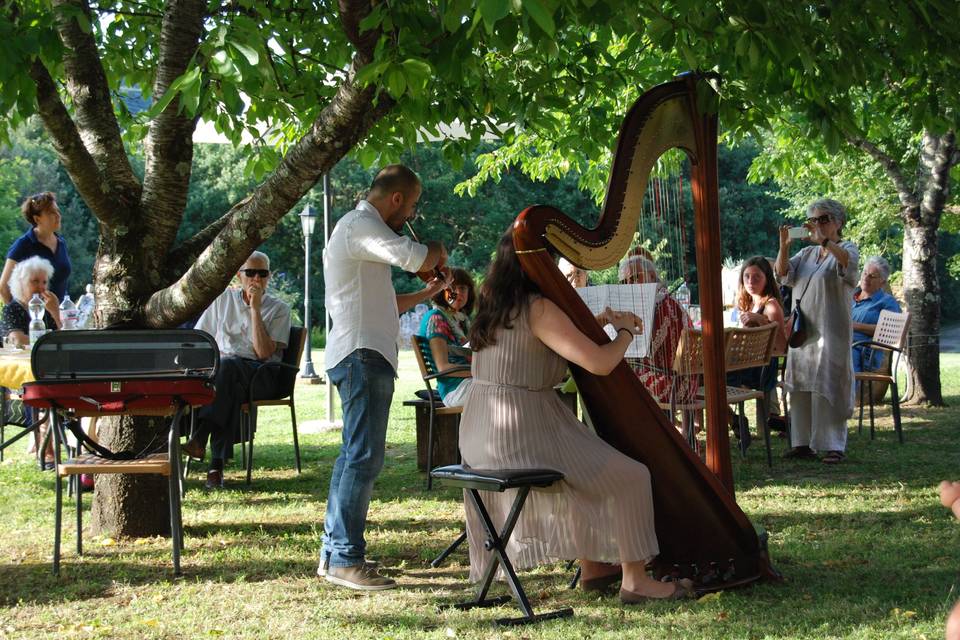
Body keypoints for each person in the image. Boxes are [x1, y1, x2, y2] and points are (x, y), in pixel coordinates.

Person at [459, 230, 692, 604]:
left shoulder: (493, 304)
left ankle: (595, 567)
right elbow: (600, 364)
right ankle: (636, 582)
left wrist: (595, 320)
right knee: (631, 476)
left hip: (481, 431)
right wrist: (626, 332)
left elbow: (535, 347)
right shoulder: (539, 307)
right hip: (523, 430)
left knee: (584, 473)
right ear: (538, 263)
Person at [320, 164, 450, 591]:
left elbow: (385, 302)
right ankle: (344, 559)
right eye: (410, 208)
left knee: (353, 457)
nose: (410, 216)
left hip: (361, 353)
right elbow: (415, 256)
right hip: (362, 356)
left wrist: (429, 293)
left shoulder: (361, 232)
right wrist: (438, 250)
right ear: (396, 199)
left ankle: (334, 554)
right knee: (364, 457)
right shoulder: (361, 225)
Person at [181, 251, 292, 489]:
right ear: (238, 276)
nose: (256, 279)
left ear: (269, 277)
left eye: (262, 274)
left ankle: (201, 435)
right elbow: (202, 340)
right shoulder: (222, 301)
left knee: (228, 370)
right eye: (250, 273)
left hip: (262, 374)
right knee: (228, 384)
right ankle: (215, 467)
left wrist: (255, 310)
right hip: (225, 376)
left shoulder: (279, 309)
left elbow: (263, 353)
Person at [775, 198, 859, 464]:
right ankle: (802, 443)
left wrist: (824, 241)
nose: (818, 224)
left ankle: (834, 445)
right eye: (814, 220)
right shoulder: (806, 254)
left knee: (829, 383)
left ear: (838, 222)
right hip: (804, 332)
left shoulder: (846, 248)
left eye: (824, 219)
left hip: (831, 330)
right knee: (800, 385)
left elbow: (848, 266)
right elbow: (782, 273)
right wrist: (784, 247)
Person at [0, 256, 62, 469]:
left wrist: (55, 311)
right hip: (21, 374)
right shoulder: (13, 309)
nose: (41, 287)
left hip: (51, 369)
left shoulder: (47, 308)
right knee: (42, 392)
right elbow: (16, 338)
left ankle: (54, 447)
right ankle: (47, 453)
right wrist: (46, 338)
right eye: (35, 282)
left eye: (44, 282)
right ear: (21, 284)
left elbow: (63, 336)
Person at [618, 250, 698, 405]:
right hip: (688, 384)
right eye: (625, 281)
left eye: (635, 277)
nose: (630, 284)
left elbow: (638, 353)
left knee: (614, 378)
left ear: (652, 277)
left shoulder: (657, 306)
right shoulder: (667, 300)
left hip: (672, 385)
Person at [417, 267, 476, 408]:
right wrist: (483, 372)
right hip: (454, 391)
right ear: (441, 291)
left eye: (462, 288)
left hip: (470, 383)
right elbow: (443, 367)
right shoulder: (436, 318)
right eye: (451, 288)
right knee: (504, 390)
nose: (457, 293)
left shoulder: (461, 321)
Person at [1, 192, 72, 304]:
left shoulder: (61, 242)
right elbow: (3, 287)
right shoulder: (23, 245)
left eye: (57, 211)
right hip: (34, 318)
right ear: (37, 219)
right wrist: (17, 315)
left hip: (59, 316)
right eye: (51, 213)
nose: (58, 216)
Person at [852, 256, 901, 373]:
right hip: (840, 343)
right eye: (865, 273)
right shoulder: (849, 297)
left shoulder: (886, 302)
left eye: (872, 276)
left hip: (863, 351)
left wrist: (853, 325)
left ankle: (847, 391)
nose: (866, 278)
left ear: (882, 282)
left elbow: (890, 331)